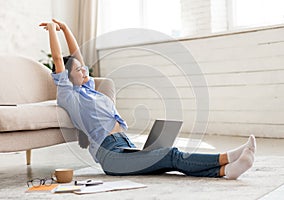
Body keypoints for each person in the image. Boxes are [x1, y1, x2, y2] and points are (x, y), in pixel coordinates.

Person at [39, 19, 256, 179]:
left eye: (83, 68)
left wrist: (66, 29)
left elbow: (77, 56)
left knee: (168, 163)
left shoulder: (89, 89)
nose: (85, 71)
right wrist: (51, 30)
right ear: (66, 76)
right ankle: (227, 157)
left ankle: (226, 171)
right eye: (78, 70)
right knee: (172, 155)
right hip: (110, 155)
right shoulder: (68, 94)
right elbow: (59, 58)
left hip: (125, 143)